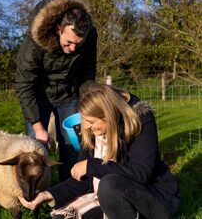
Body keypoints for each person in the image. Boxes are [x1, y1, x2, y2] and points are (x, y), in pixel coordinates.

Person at [18, 84, 181, 219]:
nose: (86, 126)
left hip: (154, 197)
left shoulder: (140, 121)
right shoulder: (93, 131)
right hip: (110, 196)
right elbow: (82, 177)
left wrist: (92, 165)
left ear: (107, 115)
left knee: (108, 184)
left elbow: (141, 172)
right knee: (62, 217)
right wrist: (48, 194)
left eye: (91, 121)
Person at [15, 0, 98, 181]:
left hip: (69, 95)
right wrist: (38, 127)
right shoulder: (35, 41)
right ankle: (36, 194)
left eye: (78, 43)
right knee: (36, 149)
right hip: (38, 97)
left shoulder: (91, 35)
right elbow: (24, 84)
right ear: (58, 29)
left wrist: (87, 109)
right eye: (68, 42)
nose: (73, 48)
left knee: (73, 146)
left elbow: (88, 72)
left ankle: (69, 191)